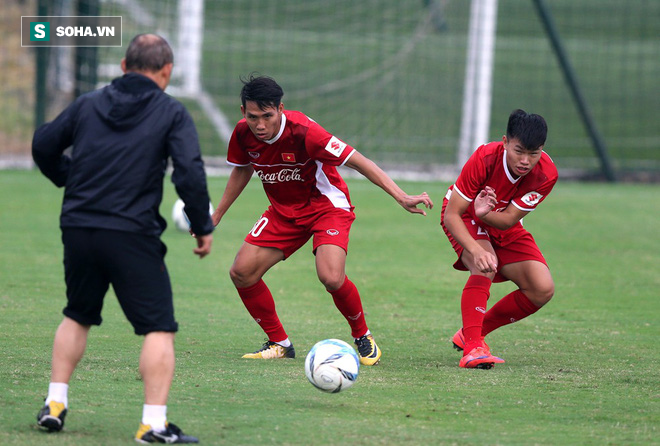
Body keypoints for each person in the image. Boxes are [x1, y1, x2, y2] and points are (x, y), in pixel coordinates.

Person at [32, 34, 213, 443]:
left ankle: (54, 404)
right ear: (165, 72)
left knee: (77, 312)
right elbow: (189, 172)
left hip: (78, 227)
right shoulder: (171, 112)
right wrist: (203, 227)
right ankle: (153, 423)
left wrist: (68, 178)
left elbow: (43, 144)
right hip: (130, 232)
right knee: (158, 327)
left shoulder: (88, 103)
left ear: (123, 65)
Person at [211, 74, 433, 366]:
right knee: (241, 272)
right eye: (253, 117)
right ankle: (280, 343)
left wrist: (400, 196)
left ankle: (362, 335)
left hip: (326, 207)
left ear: (281, 109)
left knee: (330, 276)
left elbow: (359, 160)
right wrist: (217, 215)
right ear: (243, 113)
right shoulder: (243, 133)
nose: (260, 125)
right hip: (283, 212)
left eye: (267, 116)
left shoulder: (305, 132)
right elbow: (242, 169)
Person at [441, 109, 558, 369]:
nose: (526, 160)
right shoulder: (484, 158)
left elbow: (507, 220)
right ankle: (472, 350)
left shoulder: (547, 174)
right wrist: (475, 248)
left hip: (500, 219)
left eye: (533, 153)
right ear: (504, 142)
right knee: (485, 264)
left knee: (542, 288)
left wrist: (488, 214)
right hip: (464, 215)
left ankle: (473, 332)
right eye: (519, 151)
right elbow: (452, 215)